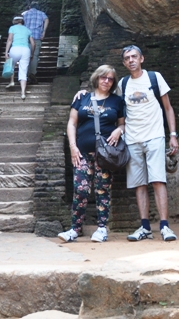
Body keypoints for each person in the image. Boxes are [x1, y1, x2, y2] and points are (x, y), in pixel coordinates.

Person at [116, 45, 179, 242]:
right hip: (132, 138)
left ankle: (164, 226)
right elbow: (118, 112)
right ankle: (144, 228)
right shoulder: (123, 84)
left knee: (158, 180)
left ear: (142, 58)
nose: (131, 60)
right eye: (127, 58)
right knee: (139, 184)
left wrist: (173, 135)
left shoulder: (154, 77)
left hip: (154, 136)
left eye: (134, 56)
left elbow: (168, 108)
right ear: (124, 63)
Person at [58, 65, 126, 243]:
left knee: (102, 189)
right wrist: (73, 146)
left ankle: (102, 229)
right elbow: (72, 123)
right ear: (96, 78)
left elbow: (122, 124)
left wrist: (119, 130)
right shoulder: (82, 98)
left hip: (105, 154)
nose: (106, 81)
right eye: (103, 77)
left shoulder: (117, 101)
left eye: (110, 79)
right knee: (80, 189)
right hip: (81, 152)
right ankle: (75, 229)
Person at [5, 15, 35, 100]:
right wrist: (32, 54)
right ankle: (23, 93)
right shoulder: (28, 30)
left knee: (11, 65)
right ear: (22, 21)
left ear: (14, 21)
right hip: (26, 50)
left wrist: (6, 52)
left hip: (15, 49)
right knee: (23, 71)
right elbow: (33, 44)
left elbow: (10, 39)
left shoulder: (12, 28)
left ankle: (12, 81)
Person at [22, 2, 49, 85]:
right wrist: (44, 32)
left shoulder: (24, 14)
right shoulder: (42, 14)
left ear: (30, 7)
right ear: (38, 7)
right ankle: (32, 73)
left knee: (25, 56)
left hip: (25, 38)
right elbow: (47, 20)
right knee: (34, 56)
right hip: (36, 37)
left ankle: (25, 75)